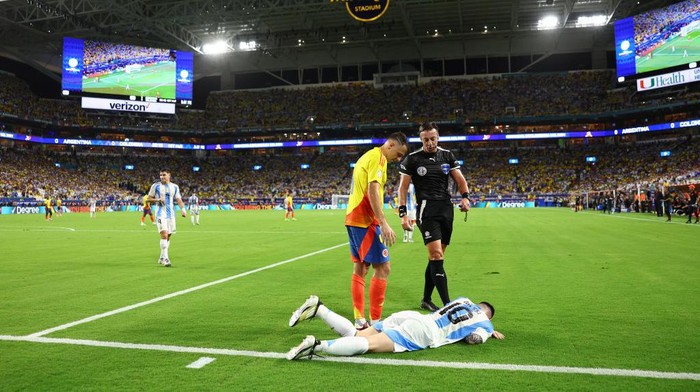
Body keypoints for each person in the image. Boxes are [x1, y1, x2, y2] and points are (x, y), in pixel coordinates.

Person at [286, 294, 504, 360]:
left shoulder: (463, 300)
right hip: (424, 333)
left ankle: (320, 309)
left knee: (358, 333)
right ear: (488, 314)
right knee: (369, 344)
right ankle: (316, 346)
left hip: (411, 317)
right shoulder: (485, 323)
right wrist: (487, 332)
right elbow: (471, 340)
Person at [398, 122, 471, 312]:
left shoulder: (447, 155)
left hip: (446, 210)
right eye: (426, 139)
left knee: (436, 258)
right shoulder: (412, 159)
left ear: (437, 138)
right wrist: (403, 214)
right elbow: (402, 188)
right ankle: (448, 306)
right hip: (426, 210)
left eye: (433, 139)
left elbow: (460, 179)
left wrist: (465, 198)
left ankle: (426, 299)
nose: (430, 143)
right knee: (436, 254)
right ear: (421, 139)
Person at [346, 132, 408, 329]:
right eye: (398, 154)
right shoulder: (378, 159)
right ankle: (376, 322)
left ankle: (359, 320)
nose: (398, 160)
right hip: (365, 221)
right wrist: (383, 222)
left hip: (353, 218)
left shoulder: (368, 156)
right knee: (383, 267)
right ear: (390, 145)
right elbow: (372, 190)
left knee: (361, 268)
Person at [148, 169, 186, 267]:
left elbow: (178, 199)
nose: (162, 177)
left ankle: (162, 257)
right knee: (164, 235)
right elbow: (148, 199)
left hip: (171, 214)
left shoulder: (175, 187)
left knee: (168, 236)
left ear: (169, 175)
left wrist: (183, 209)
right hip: (161, 213)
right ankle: (166, 259)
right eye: (160, 175)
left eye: (164, 175)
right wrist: (157, 199)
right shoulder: (155, 186)